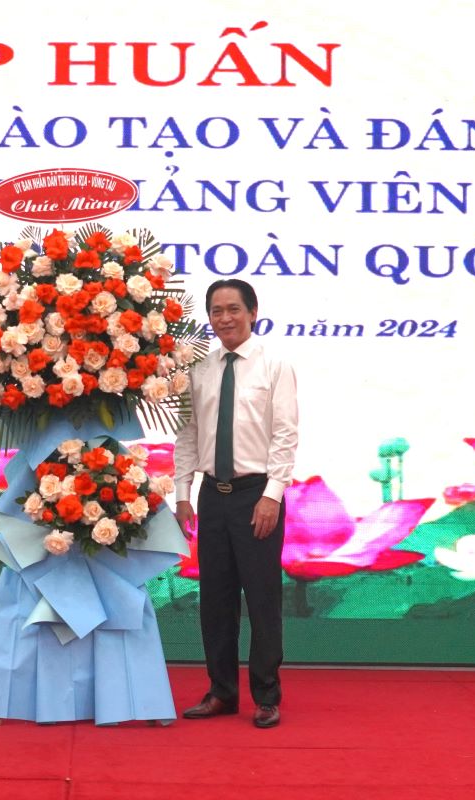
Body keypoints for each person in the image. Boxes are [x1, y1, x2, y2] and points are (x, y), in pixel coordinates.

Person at [173, 278, 299, 729]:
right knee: (215, 599)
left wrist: (272, 495)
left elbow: (285, 434)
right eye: (216, 310)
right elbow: (188, 434)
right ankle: (221, 692)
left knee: (262, 599)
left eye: (233, 309)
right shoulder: (199, 370)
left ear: (252, 312)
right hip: (213, 496)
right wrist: (183, 494)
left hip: (256, 496)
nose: (224, 318)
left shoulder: (274, 365)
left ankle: (266, 696)